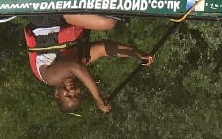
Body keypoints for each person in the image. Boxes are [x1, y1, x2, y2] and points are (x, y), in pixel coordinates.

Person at [24, 14, 154, 114]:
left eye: (68, 95)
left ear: (57, 94)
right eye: (77, 94)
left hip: (47, 17)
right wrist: (136, 53)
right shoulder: (81, 59)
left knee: (107, 22)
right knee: (107, 18)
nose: (73, 90)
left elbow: (74, 67)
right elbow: (104, 49)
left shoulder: (50, 77)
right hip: (65, 17)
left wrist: (97, 98)